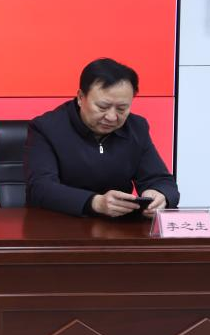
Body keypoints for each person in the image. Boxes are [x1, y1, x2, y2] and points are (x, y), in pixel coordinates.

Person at [26, 58, 179, 218]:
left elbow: (160, 180)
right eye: (102, 107)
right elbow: (40, 188)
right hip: (60, 224)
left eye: (121, 108)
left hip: (119, 226)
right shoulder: (47, 128)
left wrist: (160, 195)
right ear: (80, 97)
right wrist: (95, 203)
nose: (112, 117)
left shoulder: (136, 128)